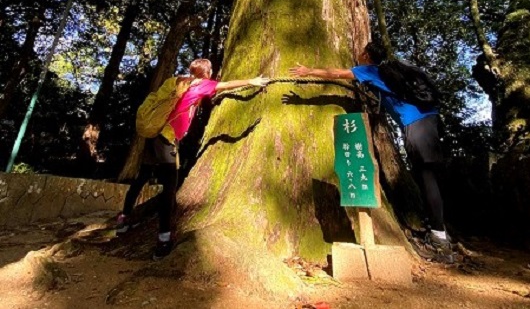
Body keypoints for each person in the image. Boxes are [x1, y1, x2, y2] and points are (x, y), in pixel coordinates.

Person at [289, 42, 453, 263]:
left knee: (427, 179)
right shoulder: (394, 70)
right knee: (429, 178)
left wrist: (308, 71)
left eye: (361, 51)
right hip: (430, 119)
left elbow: (337, 73)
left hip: (416, 125)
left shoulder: (369, 70)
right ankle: (440, 233)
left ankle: (440, 242)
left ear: (366, 54)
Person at [117, 58, 269, 260]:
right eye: (211, 70)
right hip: (167, 139)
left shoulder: (180, 82)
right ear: (207, 72)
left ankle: (124, 218)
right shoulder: (202, 85)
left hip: (154, 136)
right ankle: (163, 239)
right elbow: (224, 85)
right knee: (169, 189)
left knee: (142, 177)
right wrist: (252, 82)